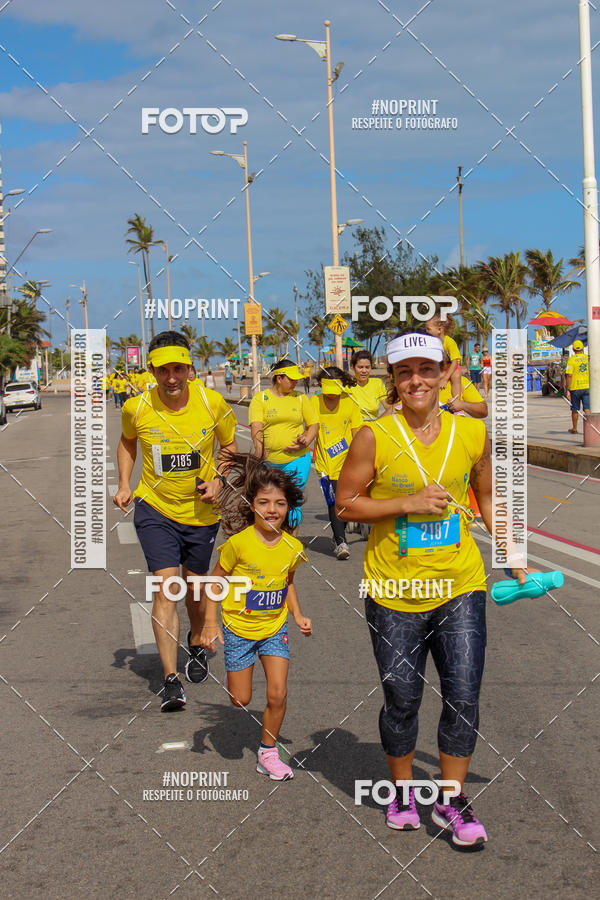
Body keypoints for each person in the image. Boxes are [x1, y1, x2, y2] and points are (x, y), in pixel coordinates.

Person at [336, 328, 531, 845]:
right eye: (405, 372)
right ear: (393, 380)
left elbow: (487, 496)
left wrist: (512, 554)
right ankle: (402, 792)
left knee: (463, 696)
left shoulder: (470, 433)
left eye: (427, 369)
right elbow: (345, 504)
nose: (416, 380)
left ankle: (449, 800)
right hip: (393, 594)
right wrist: (407, 503)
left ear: (446, 373)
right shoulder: (372, 436)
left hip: (460, 586)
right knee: (402, 699)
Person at [113, 331, 237, 711]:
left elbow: (229, 448)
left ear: (190, 369)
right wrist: (123, 484)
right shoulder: (136, 407)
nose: (171, 378)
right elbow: (127, 441)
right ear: (151, 370)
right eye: (163, 370)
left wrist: (219, 479)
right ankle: (171, 679)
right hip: (156, 509)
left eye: (178, 369)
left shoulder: (212, 402)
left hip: (201, 514)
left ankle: (197, 642)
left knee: (196, 590)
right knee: (167, 588)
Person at [200, 454, 311, 781]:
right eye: (264, 502)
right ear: (251, 506)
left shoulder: (292, 547)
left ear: (289, 507)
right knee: (240, 699)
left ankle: (268, 752)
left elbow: (287, 581)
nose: (272, 509)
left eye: (279, 503)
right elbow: (215, 581)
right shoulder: (239, 545)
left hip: (274, 629)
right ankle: (236, 684)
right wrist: (210, 622)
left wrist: (299, 614)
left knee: (278, 693)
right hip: (239, 630)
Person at [248, 359, 319, 532]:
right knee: (272, 502)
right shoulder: (261, 399)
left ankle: (292, 540)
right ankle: (272, 538)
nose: (296, 382)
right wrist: (260, 451)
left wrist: (306, 440)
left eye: (296, 379)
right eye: (292, 379)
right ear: (279, 378)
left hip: (297, 460)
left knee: (293, 500)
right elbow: (256, 426)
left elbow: (314, 424)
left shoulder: (301, 398)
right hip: (269, 462)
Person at [311, 367, 363, 560]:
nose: (332, 398)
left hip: (347, 463)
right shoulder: (313, 402)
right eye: (328, 394)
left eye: (336, 393)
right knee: (332, 502)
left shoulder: (350, 403)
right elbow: (310, 427)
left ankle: (341, 533)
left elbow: (357, 432)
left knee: (343, 502)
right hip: (324, 465)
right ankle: (341, 541)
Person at [425, 314, 462, 403]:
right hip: (440, 368)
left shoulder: (449, 342)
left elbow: (455, 362)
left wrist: (445, 379)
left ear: (439, 330)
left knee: (456, 376)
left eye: (428, 329)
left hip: (452, 367)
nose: (426, 332)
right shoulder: (430, 343)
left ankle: (457, 402)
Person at [348, 350, 388, 420]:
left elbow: (388, 406)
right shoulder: (347, 385)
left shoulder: (377, 383)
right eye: (360, 367)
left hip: (373, 425)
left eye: (367, 367)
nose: (364, 371)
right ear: (353, 367)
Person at [565, 339, 590, 434]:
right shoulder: (587, 358)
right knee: (587, 409)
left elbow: (569, 375)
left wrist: (567, 389)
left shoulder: (571, 360)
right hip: (587, 386)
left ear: (574, 349)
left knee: (575, 409)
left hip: (575, 388)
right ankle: (589, 429)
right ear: (582, 348)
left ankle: (574, 428)